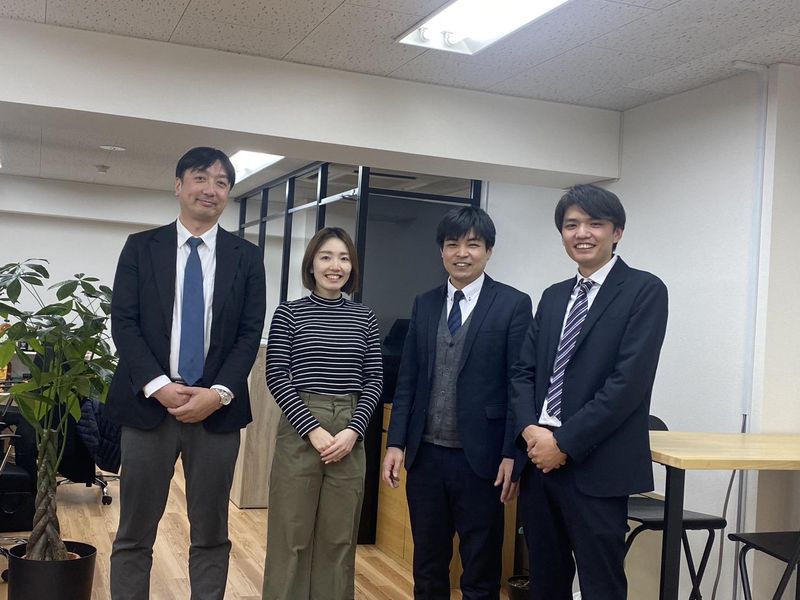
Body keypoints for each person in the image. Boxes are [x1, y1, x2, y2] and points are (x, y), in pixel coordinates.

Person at [106, 146, 266, 600]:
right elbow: (125, 323)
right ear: (178, 186)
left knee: (211, 533)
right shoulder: (141, 247)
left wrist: (218, 393)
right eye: (200, 178)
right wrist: (159, 386)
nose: (210, 189)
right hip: (148, 409)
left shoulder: (246, 257)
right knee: (134, 533)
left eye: (221, 182)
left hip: (216, 414)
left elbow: (249, 333)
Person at [510, 184, 668, 600]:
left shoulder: (644, 290)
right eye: (571, 224)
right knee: (544, 582)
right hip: (539, 462)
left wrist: (563, 442)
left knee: (601, 586)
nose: (582, 233)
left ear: (617, 232)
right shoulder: (553, 296)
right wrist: (530, 430)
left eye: (595, 223)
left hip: (596, 465)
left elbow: (627, 384)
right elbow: (523, 372)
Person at [382, 206, 533, 600]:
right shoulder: (425, 303)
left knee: (481, 568)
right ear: (442, 251)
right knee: (428, 565)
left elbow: (519, 384)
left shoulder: (513, 304)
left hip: (482, 460)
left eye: (473, 244)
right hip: (426, 457)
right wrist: (395, 442)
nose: (462, 253)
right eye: (453, 244)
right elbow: (408, 379)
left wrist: (512, 453)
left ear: (489, 251)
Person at [262, 227, 383, 600]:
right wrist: (312, 430)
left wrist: (354, 431)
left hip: (349, 429)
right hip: (301, 426)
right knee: (290, 536)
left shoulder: (365, 317)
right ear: (311, 264)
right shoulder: (289, 313)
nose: (336, 266)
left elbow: (374, 379)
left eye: (344, 258)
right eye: (326, 257)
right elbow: (276, 375)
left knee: (338, 538)